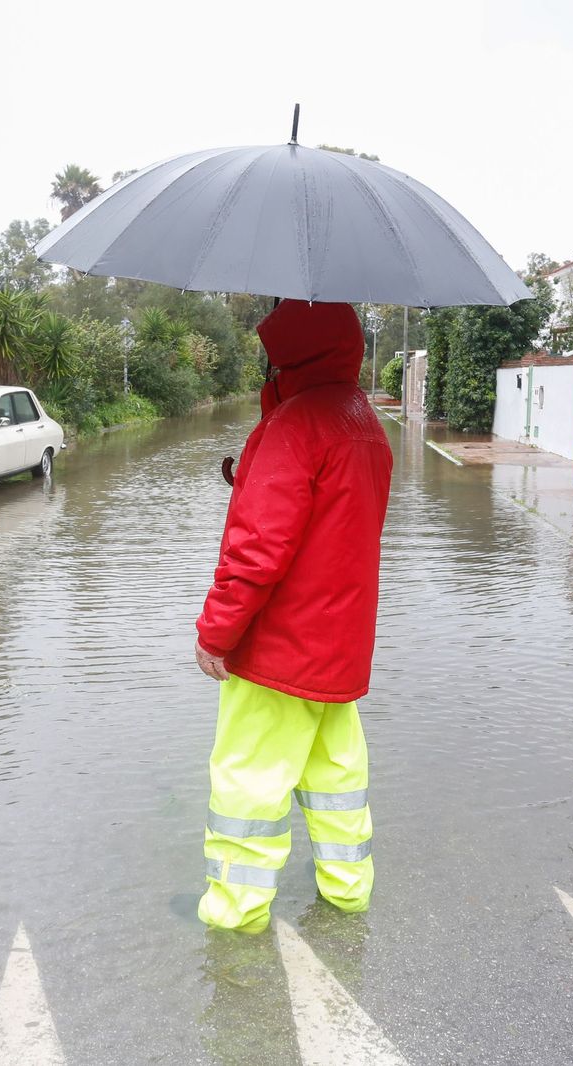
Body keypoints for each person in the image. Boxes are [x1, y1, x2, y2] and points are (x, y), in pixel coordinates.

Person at [193, 299, 393, 933]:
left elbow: (257, 550)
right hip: (339, 647)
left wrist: (215, 633)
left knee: (248, 783)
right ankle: (348, 893)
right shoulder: (363, 422)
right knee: (337, 776)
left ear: (286, 355)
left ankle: (235, 917)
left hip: (278, 650)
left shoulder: (294, 426)